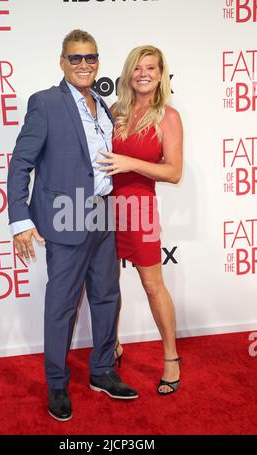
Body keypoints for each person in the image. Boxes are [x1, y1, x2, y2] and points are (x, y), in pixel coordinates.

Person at [7, 29, 138, 422]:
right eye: (75, 58)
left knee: (105, 297)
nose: (84, 65)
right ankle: (57, 384)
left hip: (102, 212)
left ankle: (101, 371)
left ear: (98, 62)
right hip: (66, 216)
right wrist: (20, 220)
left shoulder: (104, 104)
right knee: (61, 306)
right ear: (62, 62)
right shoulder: (45, 103)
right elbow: (20, 164)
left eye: (90, 58)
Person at [97, 45, 183, 395]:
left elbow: (174, 172)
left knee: (152, 285)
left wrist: (132, 164)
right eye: (137, 67)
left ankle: (171, 358)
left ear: (161, 74)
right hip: (104, 208)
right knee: (106, 284)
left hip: (141, 210)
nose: (144, 73)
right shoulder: (114, 110)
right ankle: (111, 346)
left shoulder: (168, 116)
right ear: (128, 74)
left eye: (151, 67)